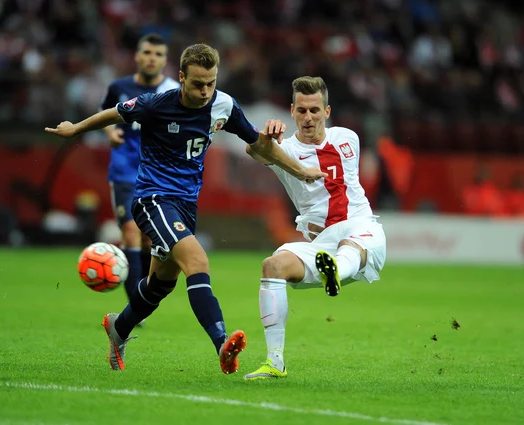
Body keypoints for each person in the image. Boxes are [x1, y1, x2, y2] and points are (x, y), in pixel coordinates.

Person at [45, 44, 327, 374]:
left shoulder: (223, 105)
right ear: (181, 78)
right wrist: (76, 128)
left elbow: (258, 144)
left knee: (159, 286)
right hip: (153, 199)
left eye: (210, 82)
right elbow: (115, 113)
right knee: (197, 259)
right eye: (197, 84)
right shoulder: (156, 105)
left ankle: (118, 328)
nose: (205, 91)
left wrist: (302, 171)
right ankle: (222, 343)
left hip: (185, 206)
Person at [243, 76, 387, 380]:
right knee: (272, 266)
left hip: (361, 228)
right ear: (292, 111)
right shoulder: (283, 150)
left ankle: (333, 269)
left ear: (327, 111)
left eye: (315, 110)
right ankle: (275, 362)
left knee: (351, 244)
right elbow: (254, 152)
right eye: (302, 110)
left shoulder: (348, 138)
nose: (309, 117)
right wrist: (265, 139)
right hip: (322, 243)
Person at [100, 33, 180, 306]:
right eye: (147, 52)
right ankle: (134, 302)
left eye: (158, 54)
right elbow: (105, 114)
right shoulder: (118, 87)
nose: (151, 58)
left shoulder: (171, 92)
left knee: (149, 239)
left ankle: (142, 299)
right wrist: (110, 132)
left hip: (154, 172)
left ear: (165, 60)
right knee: (131, 231)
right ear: (137, 56)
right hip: (123, 169)